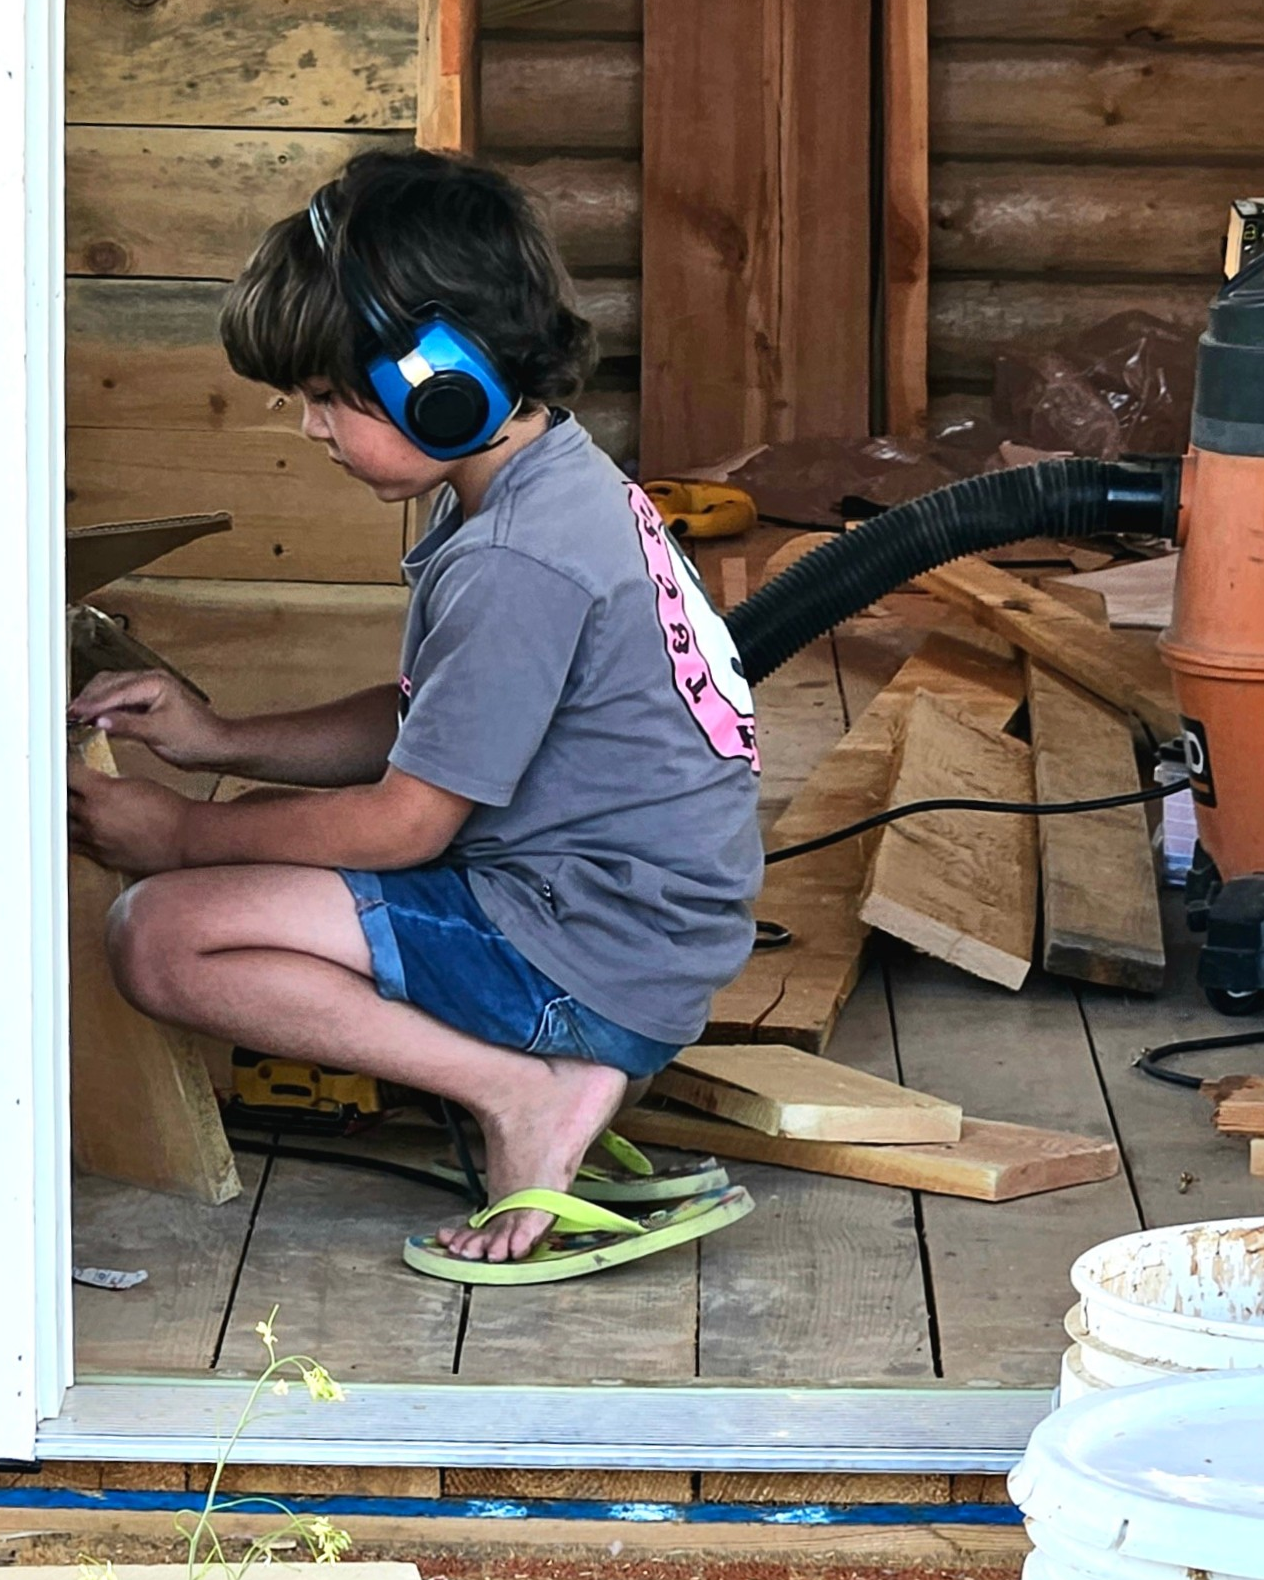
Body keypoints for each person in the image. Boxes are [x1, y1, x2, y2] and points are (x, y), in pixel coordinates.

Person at [67, 148, 762, 1273]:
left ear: (444, 383)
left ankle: (528, 1090)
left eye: (331, 399)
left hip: (583, 957)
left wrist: (180, 831)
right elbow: (427, 722)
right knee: (239, 840)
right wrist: (217, 739)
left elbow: (404, 824)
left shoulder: (519, 559)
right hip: (623, 927)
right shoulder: (555, 485)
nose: (310, 428)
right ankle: (540, 1075)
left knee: (161, 933)